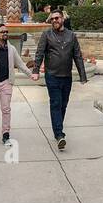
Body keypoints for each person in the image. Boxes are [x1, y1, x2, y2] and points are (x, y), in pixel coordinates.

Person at [32, 10, 87, 151]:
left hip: (66, 76)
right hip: (52, 76)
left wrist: (82, 75)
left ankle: (58, 128)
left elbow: (77, 55)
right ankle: (59, 134)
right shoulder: (47, 35)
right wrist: (36, 70)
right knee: (56, 103)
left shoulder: (71, 36)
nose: (54, 20)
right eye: (52, 19)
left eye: (57, 18)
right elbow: (39, 53)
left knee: (63, 105)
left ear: (62, 19)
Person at [0, 23, 36, 146]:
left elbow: (21, 64)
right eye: (2, 32)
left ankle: (5, 134)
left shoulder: (11, 49)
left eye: (6, 32)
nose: (5, 34)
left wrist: (30, 74)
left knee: (6, 109)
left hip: (7, 82)